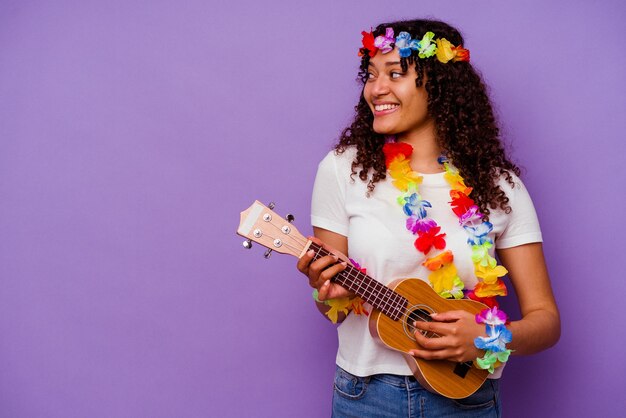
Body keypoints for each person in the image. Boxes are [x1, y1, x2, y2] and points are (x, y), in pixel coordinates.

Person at [296, 19, 560, 417]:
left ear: (439, 86)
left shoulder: (499, 186)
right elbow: (335, 304)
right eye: (370, 75)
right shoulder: (343, 170)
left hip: (467, 397)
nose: (376, 88)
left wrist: (488, 337)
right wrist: (325, 291)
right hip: (366, 396)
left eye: (395, 73)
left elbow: (546, 321)